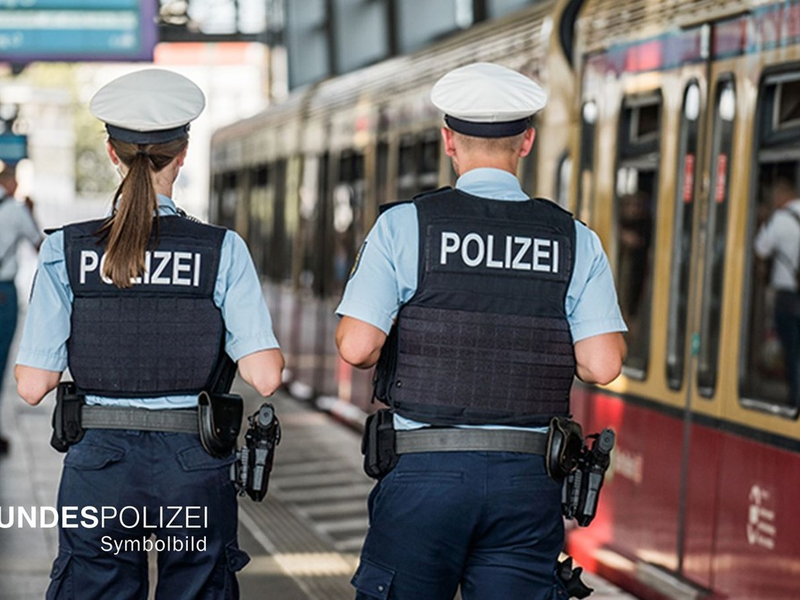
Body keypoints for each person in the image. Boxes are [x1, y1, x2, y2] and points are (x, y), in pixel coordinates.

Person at [335, 62, 627, 600]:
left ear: (449, 140)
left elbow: (357, 346)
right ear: (527, 142)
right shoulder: (573, 238)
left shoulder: (406, 225)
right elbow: (603, 365)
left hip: (424, 473)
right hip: (527, 481)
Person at [14, 69, 284, 600]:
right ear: (182, 154)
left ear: (112, 154)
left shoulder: (65, 251)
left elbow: (31, 385)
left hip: (101, 468)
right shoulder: (221, 250)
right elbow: (266, 376)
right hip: (193, 463)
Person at [0, 163, 42, 454]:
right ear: (12, 183)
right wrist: (31, 210)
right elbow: (40, 244)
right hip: (2, 293)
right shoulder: (16, 210)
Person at [754, 175, 800, 407]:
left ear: (781, 196)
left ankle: (795, 398)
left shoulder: (780, 219)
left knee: (792, 351)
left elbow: (760, 249)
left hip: (788, 296)